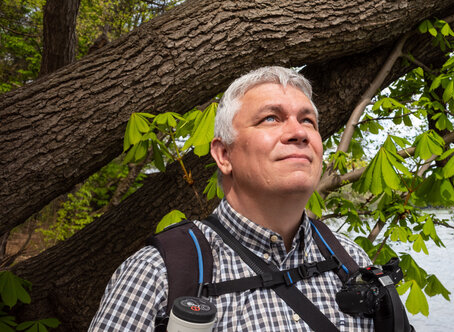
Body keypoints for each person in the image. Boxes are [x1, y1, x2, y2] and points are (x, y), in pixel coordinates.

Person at [89, 66, 375, 331]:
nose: (299, 132)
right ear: (224, 155)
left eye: (307, 121)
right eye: (271, 118)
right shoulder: (155, 273)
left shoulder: (352, 262)